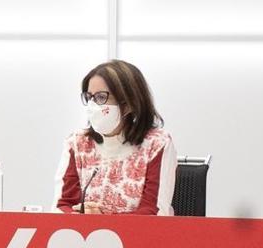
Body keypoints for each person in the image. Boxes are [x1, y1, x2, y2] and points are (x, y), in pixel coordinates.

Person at [55, 60, 176, 215]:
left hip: (139, 237)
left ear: (128, 104)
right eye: (89, 97)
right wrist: (81, 217)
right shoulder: (77, 143)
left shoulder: (157, 144)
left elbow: (155, 212)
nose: (92, 105)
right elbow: (61, 205)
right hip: (84, 237)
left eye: (100, 97)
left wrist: (104, 222)